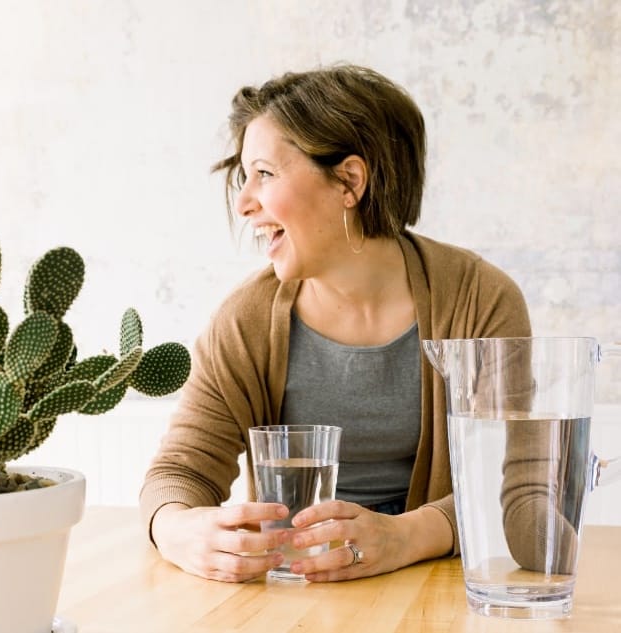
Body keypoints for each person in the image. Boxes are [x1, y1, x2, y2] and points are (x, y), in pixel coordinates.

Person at [140, 63, 531, 583]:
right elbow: (178, 474)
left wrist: (407, 535)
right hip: (291, 591)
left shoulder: (479, 300)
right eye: (244, 177)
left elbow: (520, 494)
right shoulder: (246, 320)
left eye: (265, 174)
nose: (243, 202)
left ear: (349, 180)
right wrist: (177, 529)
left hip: (436, 589)